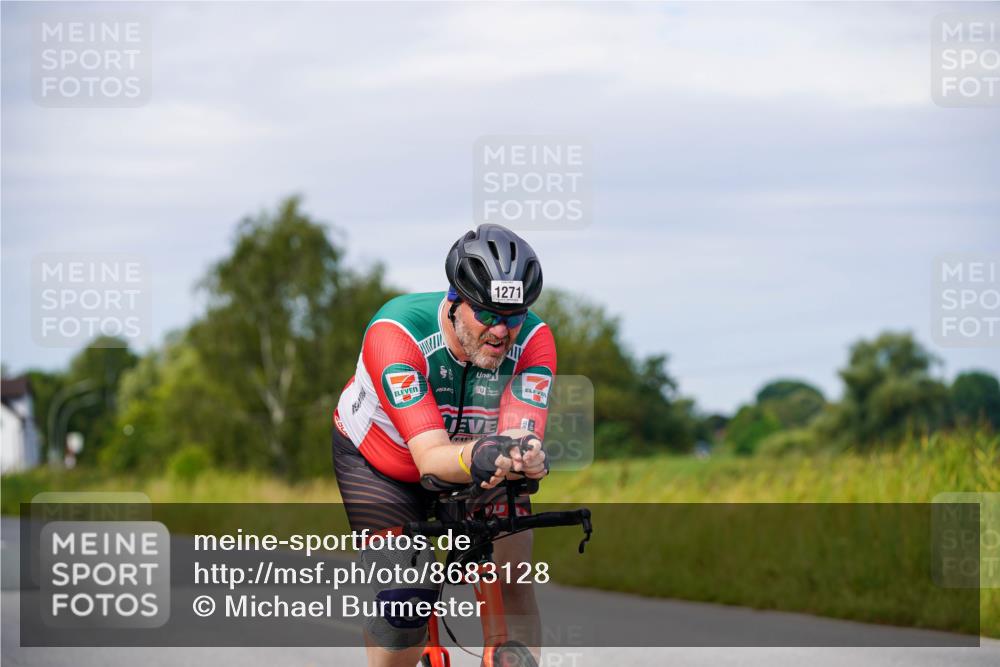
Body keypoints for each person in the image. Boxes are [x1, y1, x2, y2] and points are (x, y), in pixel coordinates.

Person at [332, 223, 556, 666]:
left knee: (511, 571)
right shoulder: (396, 334)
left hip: (476, 456)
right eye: (487, 315)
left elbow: (517, 438)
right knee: (405, 602)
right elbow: (432, 460)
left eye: (513, 316)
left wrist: (527, 456)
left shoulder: (534, 340)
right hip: (383, 465)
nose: (502, 331)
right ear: (454, 302)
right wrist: (489, 452)